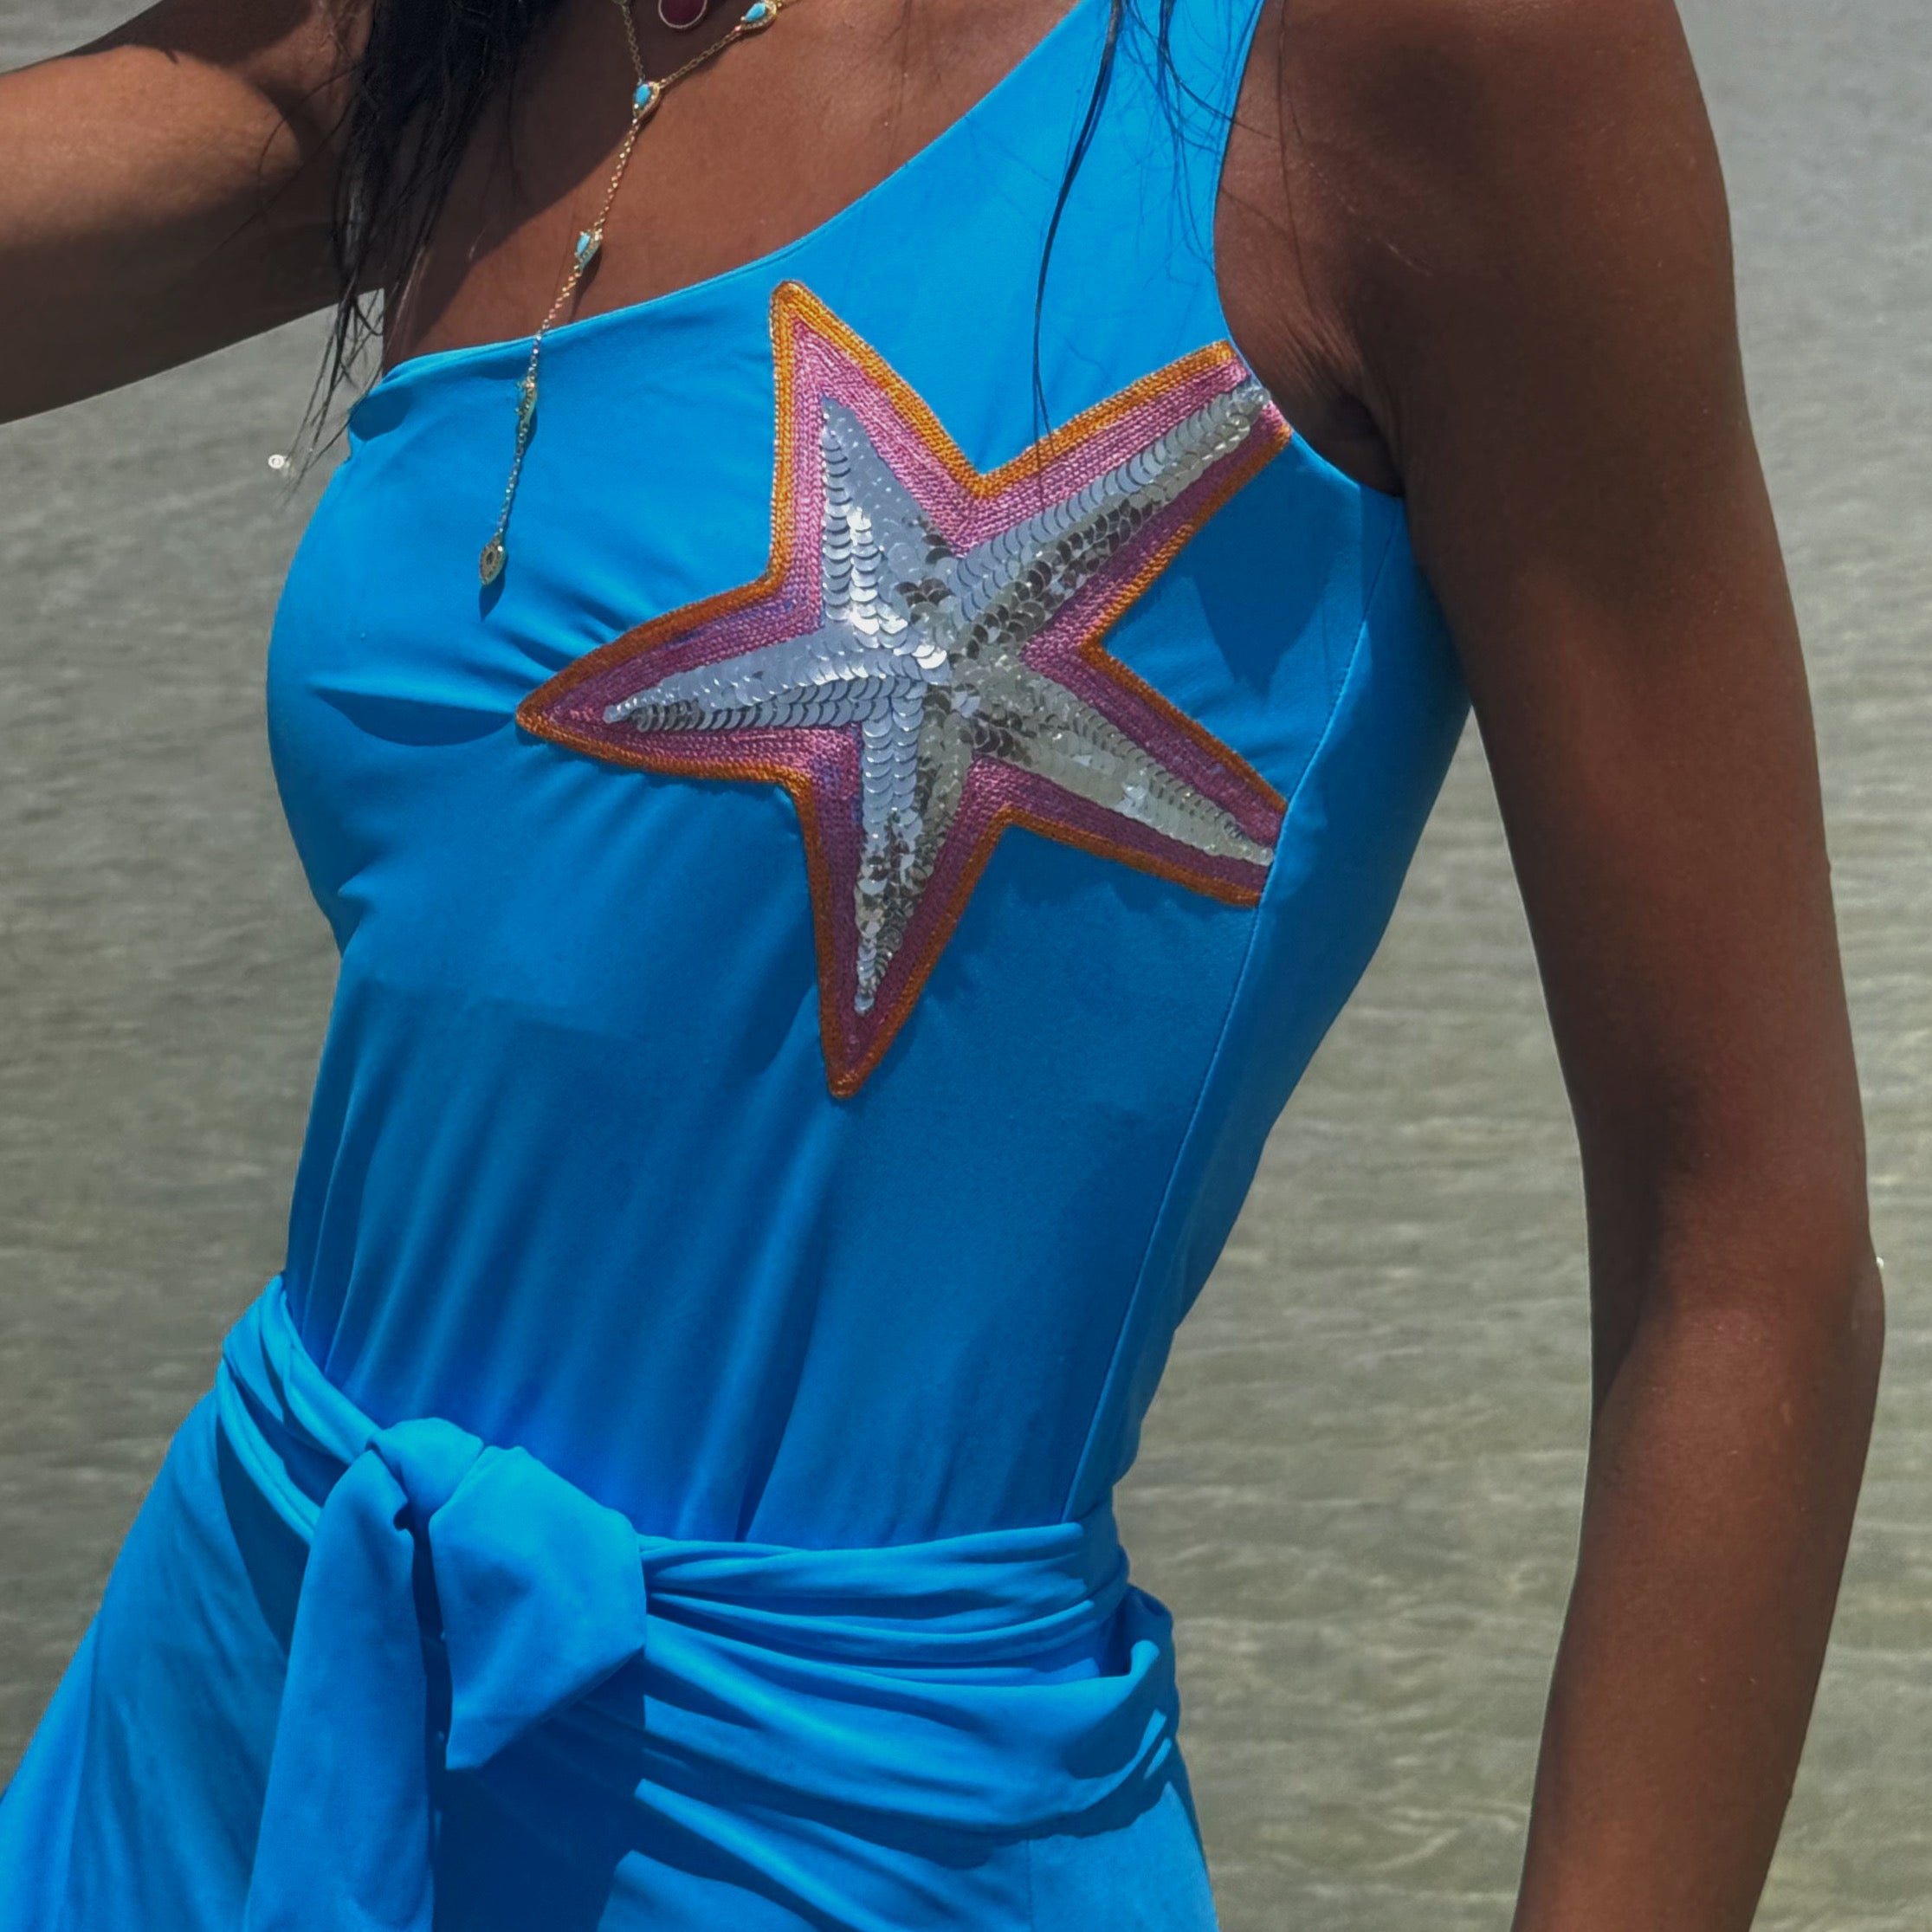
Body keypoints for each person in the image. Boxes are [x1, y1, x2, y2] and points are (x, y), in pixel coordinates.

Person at [0, 0, 1884, 1926]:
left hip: (853, 1837)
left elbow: (1741, 1243)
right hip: (214, 1731)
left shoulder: (1422, 54)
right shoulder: (494, 37)